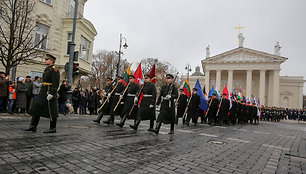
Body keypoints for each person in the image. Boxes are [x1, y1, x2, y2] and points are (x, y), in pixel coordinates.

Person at [24, 54, 60, 133]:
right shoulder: (47, 69)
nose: (45, 61)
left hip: (49, 90)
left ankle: (53, 128)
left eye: (47, 59)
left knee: (52, 109)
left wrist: (52, 93)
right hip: (43, 90)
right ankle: (33, 126)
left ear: (51, 61)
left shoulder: (54, 69)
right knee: (37, 107)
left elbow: (56, 83)